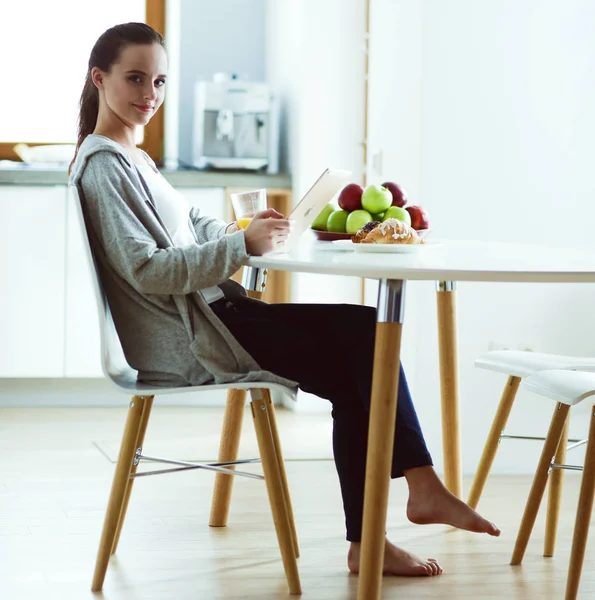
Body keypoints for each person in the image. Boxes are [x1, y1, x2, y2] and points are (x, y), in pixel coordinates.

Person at [69, 22, 500, 578]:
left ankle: (384, 526)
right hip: (196, 337)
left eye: (159, 82)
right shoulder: (105, 167)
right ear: (99, 78)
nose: (149, 95)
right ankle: (410, 498)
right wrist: (238, 246)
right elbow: (148, 270)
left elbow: (188, 226)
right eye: (135, 79)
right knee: (367, 338)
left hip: (219, 314)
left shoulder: (135, 157)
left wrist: (239, 230)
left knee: (363, 349)